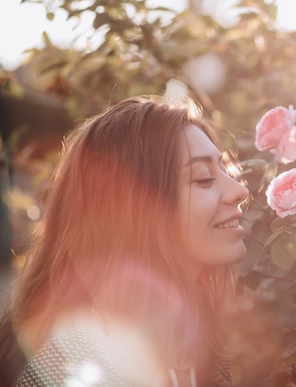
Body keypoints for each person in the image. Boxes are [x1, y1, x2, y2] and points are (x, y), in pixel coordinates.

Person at [0, 95, 250, 387]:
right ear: (138, 208)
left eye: (224, 169)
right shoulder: (72, 364)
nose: (239, 190)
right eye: (204, 178)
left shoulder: (194, 338)